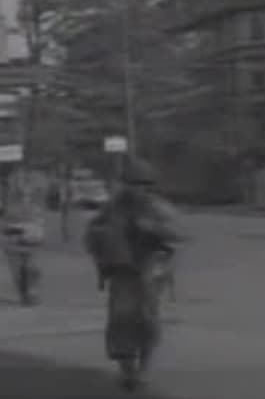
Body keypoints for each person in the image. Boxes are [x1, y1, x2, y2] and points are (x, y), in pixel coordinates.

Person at [82, 164, 182, 391]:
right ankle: (128, 370)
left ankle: (143, 369)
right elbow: (91, 235)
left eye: (144, 184)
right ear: (125, 185)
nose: (139, 189)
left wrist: (154, 229)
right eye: (134, 184)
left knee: (147, 320)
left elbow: (180, 233)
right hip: (122, 272)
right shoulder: (112, 208)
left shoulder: (158, 208)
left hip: (150, 270)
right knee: (120, 319)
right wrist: (99, 242)